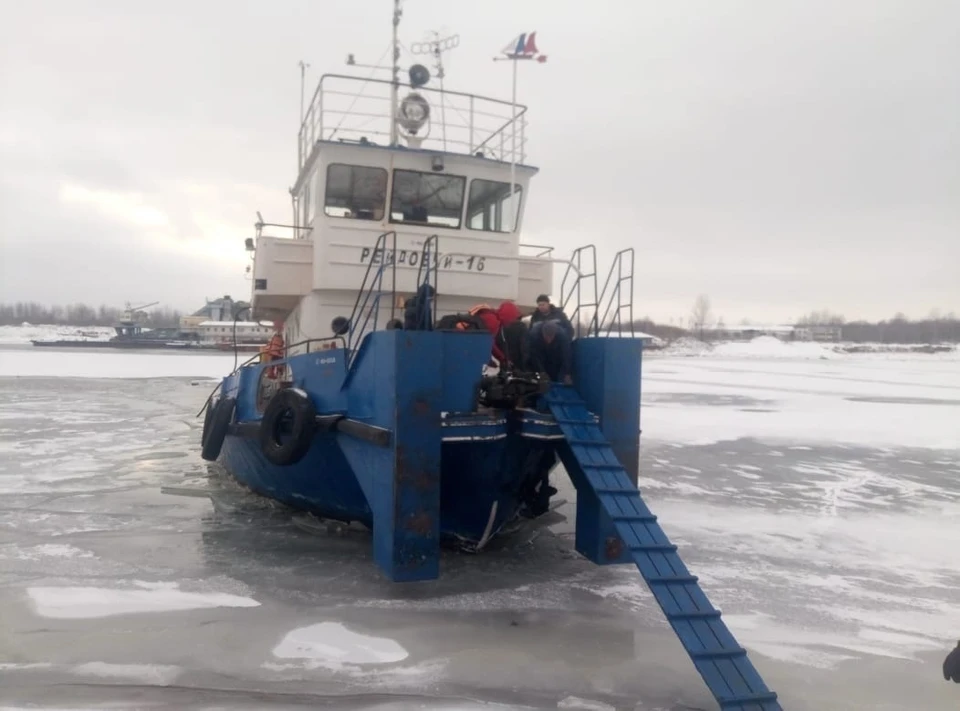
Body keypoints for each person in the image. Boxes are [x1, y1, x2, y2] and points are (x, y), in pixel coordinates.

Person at [528, 320, 573, 385]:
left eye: (551, 337)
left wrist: (567, 373)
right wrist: (542, 373)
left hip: (555, 357)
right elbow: (535, 358)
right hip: (541, 356)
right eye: (546, 337)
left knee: (557, 377)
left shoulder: (562, 335)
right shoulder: (534, 335)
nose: (549, 341)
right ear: (542, 333)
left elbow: (566, 355)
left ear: (555, 334)